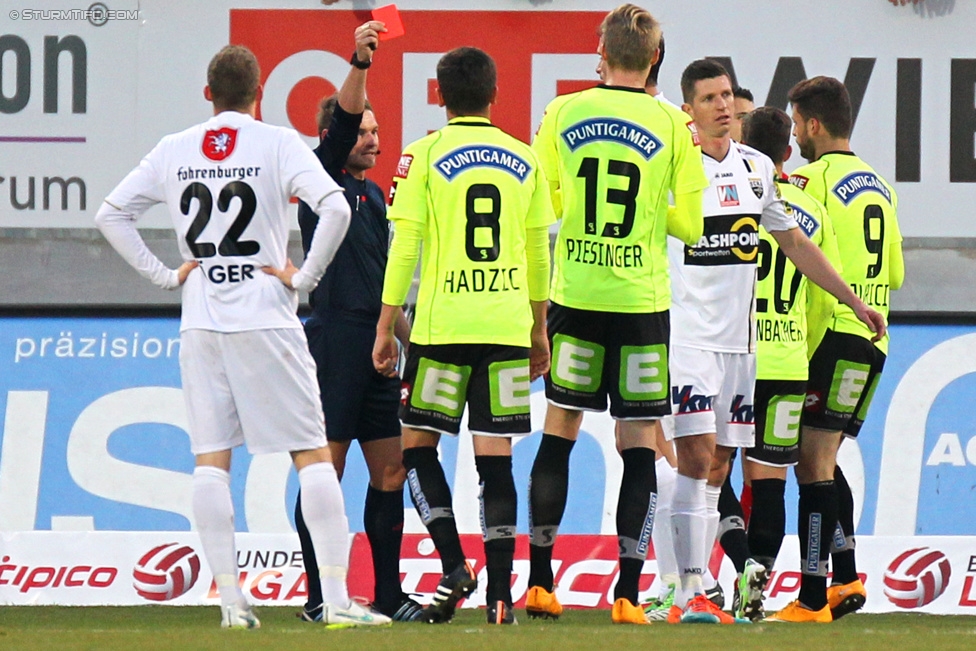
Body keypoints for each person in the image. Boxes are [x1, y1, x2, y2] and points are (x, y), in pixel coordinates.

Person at [94, 45, 390, 629]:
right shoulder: (275, 143)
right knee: (311, 455)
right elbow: (334, 208)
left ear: (209, 94)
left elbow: (110, 214)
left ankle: (232, 604)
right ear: (259, 93)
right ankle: (335, 600)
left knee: (210, 462)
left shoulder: (174, 149)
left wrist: (165, 274)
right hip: (266, 318)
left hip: (203, 320)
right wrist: (304, 278)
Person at [667, 59, 885, 625]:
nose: (720, 105)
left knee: (719, 464)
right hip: (688, 339)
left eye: (725, 96)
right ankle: (686, 585)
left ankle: (710, 587)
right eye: (708, 97)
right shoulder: (674, 166)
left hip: (743, 348)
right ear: (687, 109)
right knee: (695, 460)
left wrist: (853, 300)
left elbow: (796, 245)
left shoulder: (757, 170)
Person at [527, 4, 708, 626]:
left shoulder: (563, 112)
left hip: (576, 294)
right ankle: (628, 595)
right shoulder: (673, 122)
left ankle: (541, 584)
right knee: (636, 444)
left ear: (600, 55)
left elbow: (542, 202)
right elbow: (688, 223)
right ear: (656, 57)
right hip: (640, 304)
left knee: (559, 431)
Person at [372, 46, 554, 626]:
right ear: (495, 94)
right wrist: (539, 327)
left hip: (443, 326)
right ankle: (501, 597)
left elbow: (403, 247)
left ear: (440, 95)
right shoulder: (525, 159)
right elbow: (536, 255)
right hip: (504, 327)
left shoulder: (422, 156)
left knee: (418, 447)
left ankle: (454, 566)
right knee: (495, 458)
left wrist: (385, 326)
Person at [293, 23, 421, 623]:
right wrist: (360, 60)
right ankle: (321, 597)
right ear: (334, 138)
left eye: (375, 130)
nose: (372, 138)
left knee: (390, 469)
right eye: (362, 131)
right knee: (329, 468)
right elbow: (341, 120)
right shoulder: (320, 183)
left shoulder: (374, 198)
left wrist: (404, 340)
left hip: (374, 342)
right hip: (334, 340)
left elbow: (381, 283)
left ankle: (390, 596)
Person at [767, 76, 904, 623]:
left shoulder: (811, 180)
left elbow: (802, 255)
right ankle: (845, 579)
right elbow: (895, 272)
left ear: (813, 124)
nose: (795, 132)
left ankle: (811, 596)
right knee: (826, 458)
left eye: (797, 123)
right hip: (877, 340)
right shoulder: (881, 185)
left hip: (836, 335)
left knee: (812, 466)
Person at [735, 106, 841, 621]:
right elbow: (823, 299)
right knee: (771, 479)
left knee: (706, 473)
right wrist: (800, 343)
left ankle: (723, 576)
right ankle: (755, 590)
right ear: (787, 152)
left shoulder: (732, 195)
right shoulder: (812, 210)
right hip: (787, 360)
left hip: (736, 356)